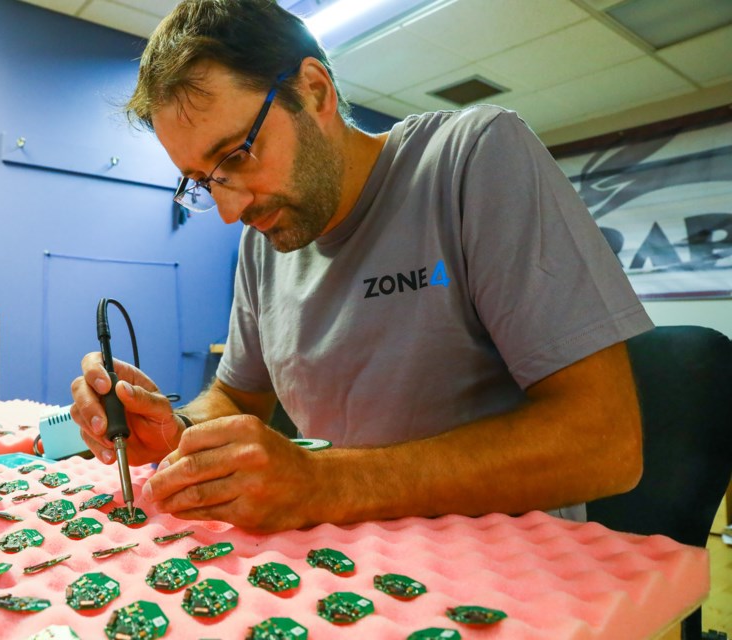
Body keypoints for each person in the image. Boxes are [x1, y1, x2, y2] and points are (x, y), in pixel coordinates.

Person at [71, 0, 653, 533]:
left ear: (316, 92)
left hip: (504, 564)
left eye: (237, 155)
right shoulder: (264, 240)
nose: (230, 209)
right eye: (204, 182)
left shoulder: (471, 160)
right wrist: (176, 428)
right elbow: (237, 397)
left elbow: (605, 444)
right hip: (349, 557)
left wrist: (327, 483)